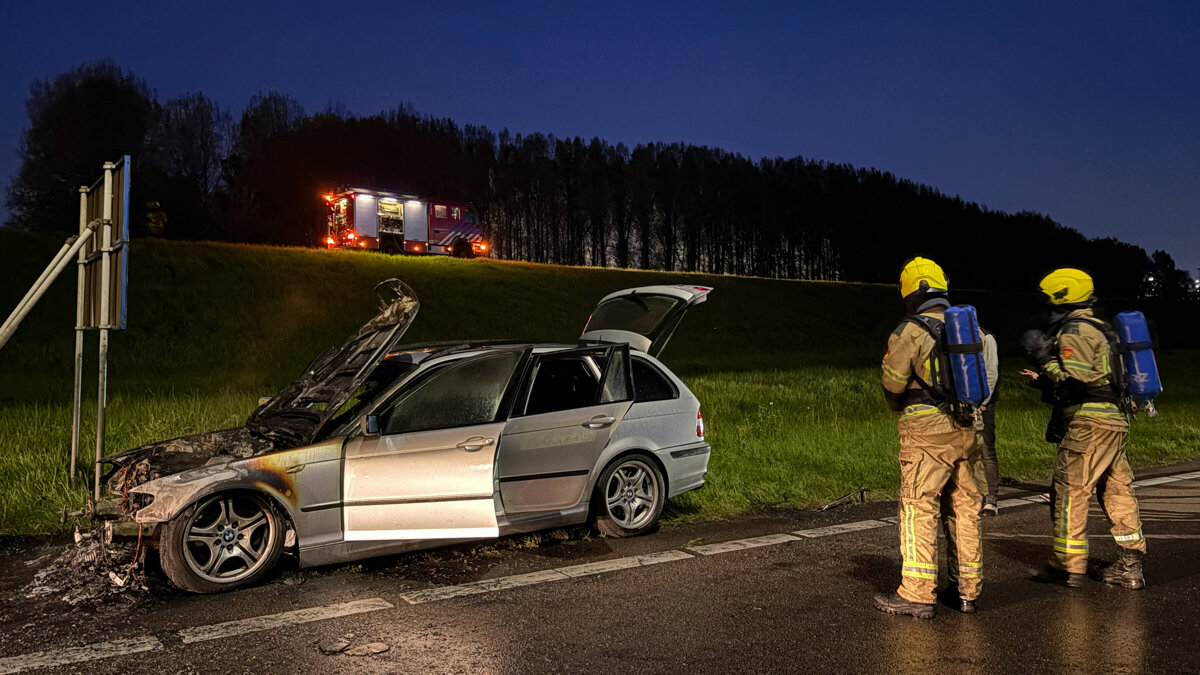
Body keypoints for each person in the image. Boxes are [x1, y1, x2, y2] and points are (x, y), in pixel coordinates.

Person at [1020, 268, 1146, 589]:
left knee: (1070, 489)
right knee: (1116, 488)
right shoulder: (1104, 329)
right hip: (1115, 419)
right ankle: (1130, 565)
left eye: (1050, 299)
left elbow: (1074, 378)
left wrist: (1043, 358)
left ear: (1063, 297)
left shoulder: (1074, 330)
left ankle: (1068, 564)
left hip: (1089, 421)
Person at [875, 257, 984, 619]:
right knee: (965, 509)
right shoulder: (972, 330)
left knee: (918, 507)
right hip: (969, 429)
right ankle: (967, 591)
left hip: (927, 434)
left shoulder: (911, 330)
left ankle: (918, 595)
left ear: (915, 293)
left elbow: (892, 382)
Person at [978, 328, 1000, 516]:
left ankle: (991, 499)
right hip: (962, 403)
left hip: (983, 404)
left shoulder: (987, 337)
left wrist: (984, 401)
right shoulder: (954, 336)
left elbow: (991, 371)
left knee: (986, 451)